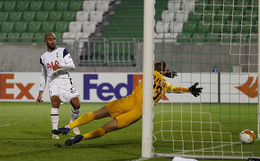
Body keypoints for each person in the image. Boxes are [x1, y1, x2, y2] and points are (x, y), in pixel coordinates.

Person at [55, 60, 203, 146]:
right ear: (165, 72)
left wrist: (164, 72)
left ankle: (67, 127)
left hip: (128, 101)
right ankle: (82, 138)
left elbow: (153, 70)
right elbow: (176, 89)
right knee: (107, 128)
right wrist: (189, 89)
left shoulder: (151, 73)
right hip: (138, 112)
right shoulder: (166, 86)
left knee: (96, 114)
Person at [36, 32, 81, 139]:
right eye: (50, 39)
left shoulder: (62, 51)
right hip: (54, 83)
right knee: (55, 102)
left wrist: (60, 66)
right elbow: (43, 75)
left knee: (77, 104)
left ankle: (71, 124)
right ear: (45, 41)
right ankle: (55, 131)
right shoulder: (43, 58)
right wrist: (40, 93)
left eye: (54, 39)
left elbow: (72, 66)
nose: (53, 41)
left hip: (65, 81)